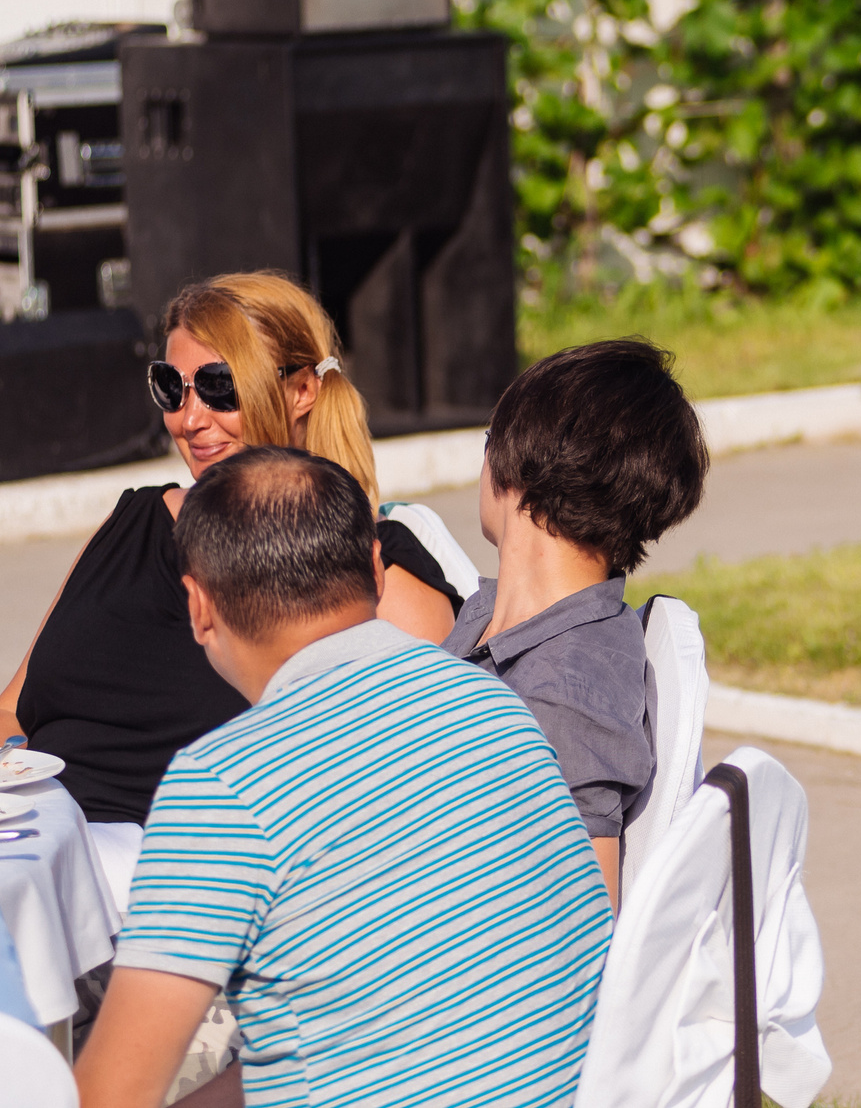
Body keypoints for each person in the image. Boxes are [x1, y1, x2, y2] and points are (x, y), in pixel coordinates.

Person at [73, 447, 612, 1108]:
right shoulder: (495, 703)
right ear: (378, 572)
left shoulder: (223, 783)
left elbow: (111, 1093)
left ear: (198, 606)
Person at [0, 272, 459, 887]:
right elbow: (11, 709)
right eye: (172, 387)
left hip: (179, 898)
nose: (191, 419)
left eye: (220, 387)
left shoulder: (369, 570)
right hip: (35, 855)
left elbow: (387, 783)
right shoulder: (130, 522)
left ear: (302, 389)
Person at [442, 338, 708, 908]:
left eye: (489, 438)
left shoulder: (562, 694)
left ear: (521, 460)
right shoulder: (502, 624)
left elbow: (585, 932)